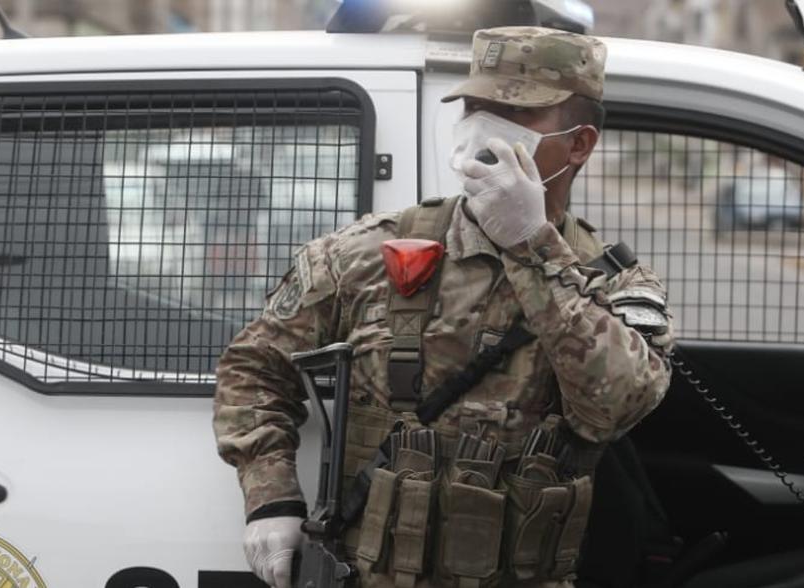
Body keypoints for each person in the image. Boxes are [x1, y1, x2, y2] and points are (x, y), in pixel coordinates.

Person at [213, 25, 675, 588]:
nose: (484, 127)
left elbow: (615, 407)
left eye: (517, 112)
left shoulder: (615, 285)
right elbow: (253, 367)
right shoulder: (366, 254)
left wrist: (532, 247)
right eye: (476, 107)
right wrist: (270, 497)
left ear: (579, 144)